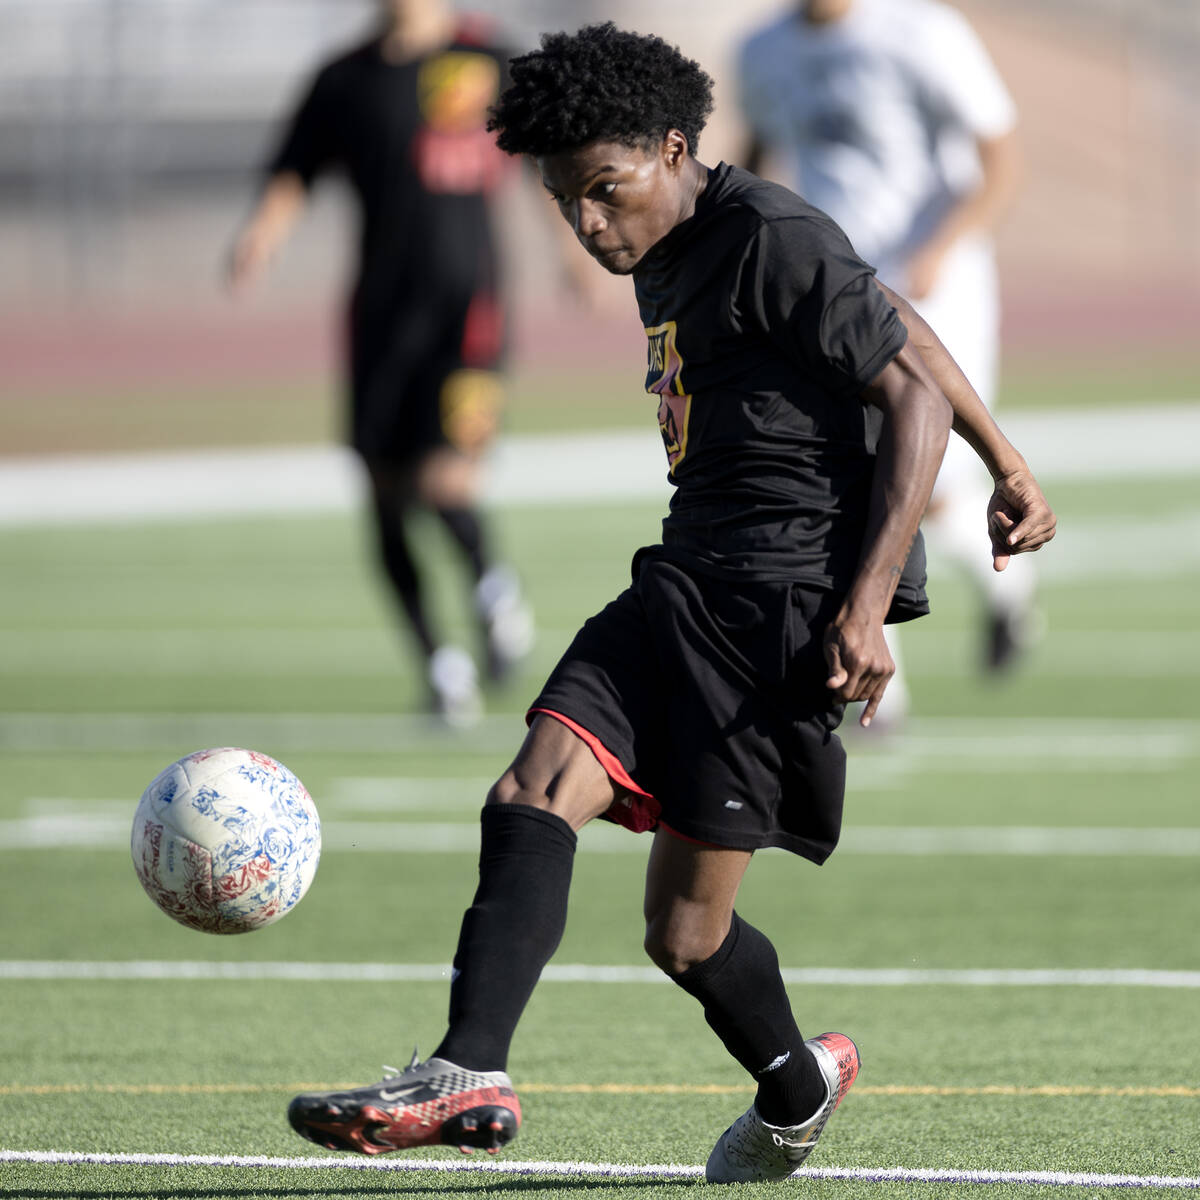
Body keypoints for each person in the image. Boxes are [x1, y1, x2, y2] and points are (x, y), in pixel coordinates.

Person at [285, 23, 1055, 1183]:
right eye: (563, 203)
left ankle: (798, 1088)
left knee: (686, 937)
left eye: (606, 191)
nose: (589, 225)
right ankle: (466, 1070)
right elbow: (890, 307)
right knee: (533, 786)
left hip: (786, 615)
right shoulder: (675, 240)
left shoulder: (768, 234)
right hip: (689, 575)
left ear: (676, 147)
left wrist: (863, 604)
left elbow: (908, 400)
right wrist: (1012, 462)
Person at [227, 0, 533, 725]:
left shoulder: (491, 60)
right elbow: (293, 169)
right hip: (379, 320)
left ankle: (492, 590)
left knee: (446, 481)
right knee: (385, 496)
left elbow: (551, 152)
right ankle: (439, 666)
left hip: (471, 316)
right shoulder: (343, 79)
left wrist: (578, 249)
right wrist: (260, 236)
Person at [739, 0, 1034, 725]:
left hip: (936, 291)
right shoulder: (761, 49)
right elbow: (755, 160)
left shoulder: (920, 33)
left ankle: (1008, 592)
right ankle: (884, 688)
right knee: (853, 471)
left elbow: (1002, 157)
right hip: (833, 288)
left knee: (925, 481)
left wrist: (940, 248)